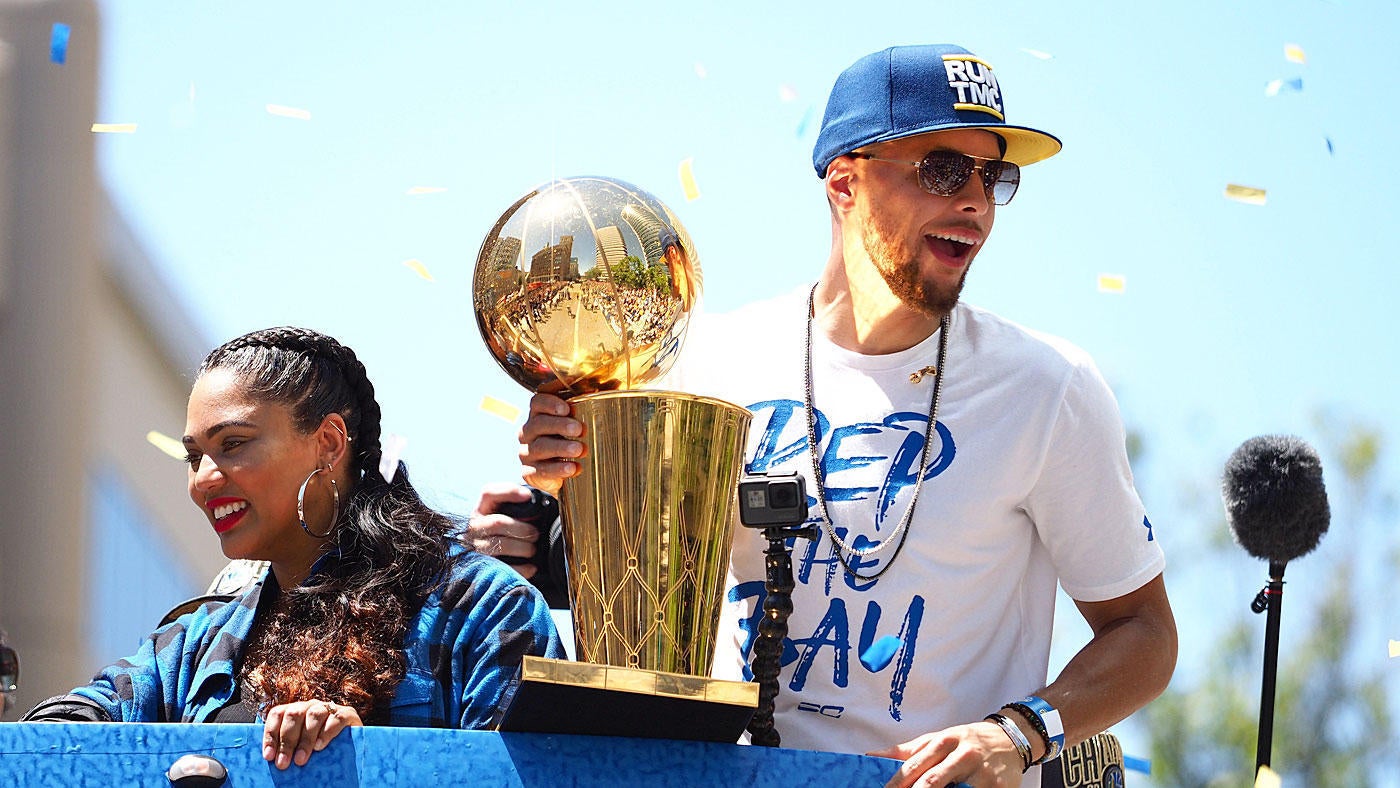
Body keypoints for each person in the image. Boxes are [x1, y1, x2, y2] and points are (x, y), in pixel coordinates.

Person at [471, 44, 1177, 787]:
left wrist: (1023, 732)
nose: (973, 200)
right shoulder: (707, 362)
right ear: (845, 182)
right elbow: (641, 597)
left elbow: (1145, 634)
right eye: (943, 169)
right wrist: (563, 496)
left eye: (993, 176)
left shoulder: (1048, 387)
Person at [23, 327, 563, 770]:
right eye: (194, 456)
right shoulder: (196, 640)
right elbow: (58, 733)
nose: (204, 480)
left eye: (232, 445)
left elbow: (532, 774)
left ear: (328, 443)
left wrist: (369, 756)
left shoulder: (482, 609)